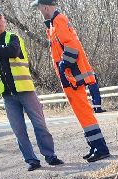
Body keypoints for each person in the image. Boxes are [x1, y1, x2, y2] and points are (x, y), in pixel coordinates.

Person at [0, 6, 63, 171]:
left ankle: (50, 156)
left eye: (0, 18)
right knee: (19, 131)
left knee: (40, 125)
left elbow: (12, 51)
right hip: (8, 96)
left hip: (25, 90)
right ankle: (31, 160)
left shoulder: (13, 38)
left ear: (4, 20)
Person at [32, 0, 109, 161]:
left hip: (71, 77)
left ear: (45, 7)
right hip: (69, 77)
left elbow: (71, 46)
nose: (39, 11)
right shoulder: (53, 23)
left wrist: (63, 66)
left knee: (84, 112)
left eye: (39, 8)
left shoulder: (59, 20)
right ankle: (94, 145)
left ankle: (101, 148)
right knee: (82, 113)